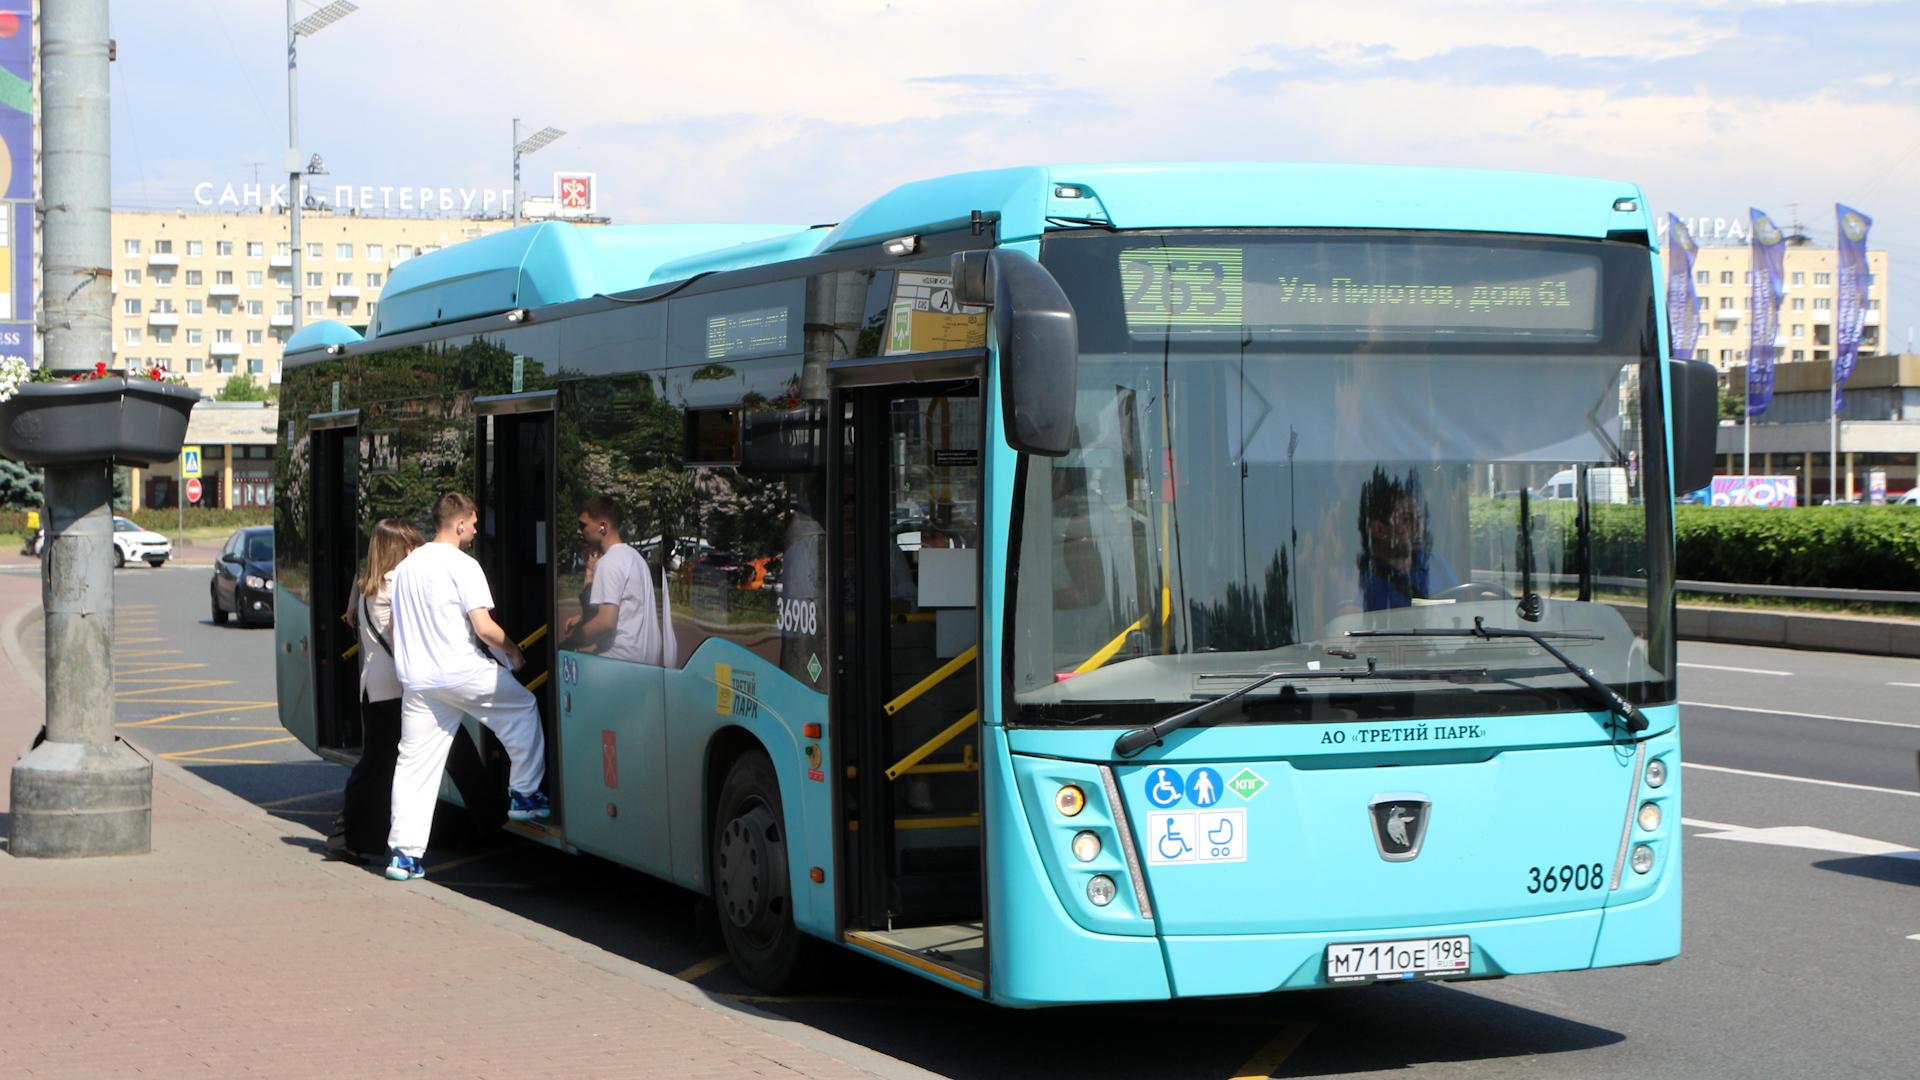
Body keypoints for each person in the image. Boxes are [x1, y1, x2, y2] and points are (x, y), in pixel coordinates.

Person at [384, 492, 548, 882]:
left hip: (418, 682)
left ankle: (403, 855)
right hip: (460, 671)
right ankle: (525, 794)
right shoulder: (464, 565)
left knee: (414, 766)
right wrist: (513, 652)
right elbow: (484, 628)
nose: (475, 530)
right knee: (521, 709)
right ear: (459, 523)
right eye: (473, 523)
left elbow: (394, 629)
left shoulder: (407, 567)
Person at [325, 519, 502, 864]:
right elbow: (400, 634)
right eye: (411, 546)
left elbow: (349, 618)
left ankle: (352, 837)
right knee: (450, 749)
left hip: (373, 687)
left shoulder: (363, 584)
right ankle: (494, 816)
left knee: (381, 764)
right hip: (403, 686)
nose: (417, 551)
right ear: (399, 549)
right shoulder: (396, 584)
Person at [559, 495, 662, 664]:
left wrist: (570, 642)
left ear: (603, 527)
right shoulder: (635, 558)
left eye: (583, 525)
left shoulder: (609, 563)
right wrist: (582, 619)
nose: (579, 531)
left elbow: (606, 622)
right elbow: (627, 610)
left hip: (618, 664)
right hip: (642, 664)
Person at [1354, 481, 1458, 611]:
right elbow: (1352, 618)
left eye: (1418, 518)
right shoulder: (1362, 575)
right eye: (1406, 519)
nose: (1418, 527)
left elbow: (1463, 602)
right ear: (1379, 529)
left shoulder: (1433, 563)